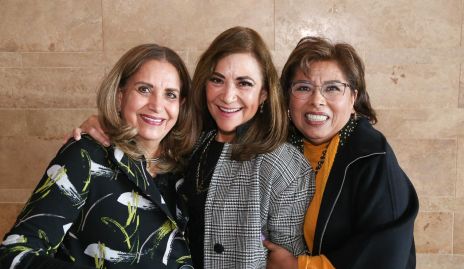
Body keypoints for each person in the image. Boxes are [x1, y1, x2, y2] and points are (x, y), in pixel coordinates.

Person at [68, 26, 315, 269]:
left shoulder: (285, 165)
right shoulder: (188, 144)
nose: (228, 96)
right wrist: (104, 123)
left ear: (263, 94)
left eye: (244, 83)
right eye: (217, 80)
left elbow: (286, 260)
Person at [0, 44, 195, 269]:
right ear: (120, 95)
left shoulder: (189, 167)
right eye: (144, 89)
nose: (157, 105)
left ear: (181, 105)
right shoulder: (86, 156)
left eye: (170, 94)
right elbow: (15, 254)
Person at [263, 36, 419, 269]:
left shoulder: (373, 158)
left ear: (353, 98)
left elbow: (384, 257)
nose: (317, 100)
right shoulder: (277, 149)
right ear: (287, 98)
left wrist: (299, 266)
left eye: (333, 88)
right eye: (303, 88)